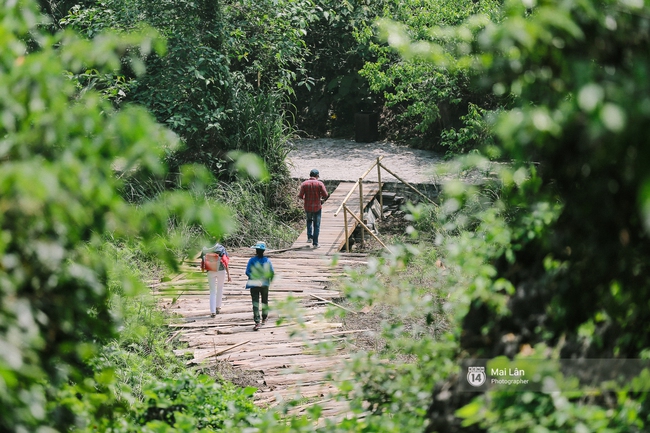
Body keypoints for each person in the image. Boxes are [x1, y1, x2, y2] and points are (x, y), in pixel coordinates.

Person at [245, 241, 275, 331]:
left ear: (256, 251)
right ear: (264, 251)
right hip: (265, 284)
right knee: (264, 301)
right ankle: (264, 318)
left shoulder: (252, 260)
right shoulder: (267, 261)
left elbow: (247, 272)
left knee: (255, 303)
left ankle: (257, 321)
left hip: (254, 283)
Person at [297, 169, 328, 249]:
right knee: (316, 225)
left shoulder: (304, 184)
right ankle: (315, 243)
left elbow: (300, 196)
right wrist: (320, 196)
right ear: (317, 176)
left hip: (307, 207)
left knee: (309, 221)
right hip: (317, 207)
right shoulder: (320, 183)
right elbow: (325, 194)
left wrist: (305, 198)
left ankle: (309, 237)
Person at [200, 242, 231, 317]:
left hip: (210, 271)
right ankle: (218, 307)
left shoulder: (205, 248)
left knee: (212, 291)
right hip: (221, 271)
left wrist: (203, 270)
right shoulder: (221, 248)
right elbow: (225, 261)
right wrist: (228, 275)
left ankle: (212, 311)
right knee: (220, 288)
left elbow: (202, 261)